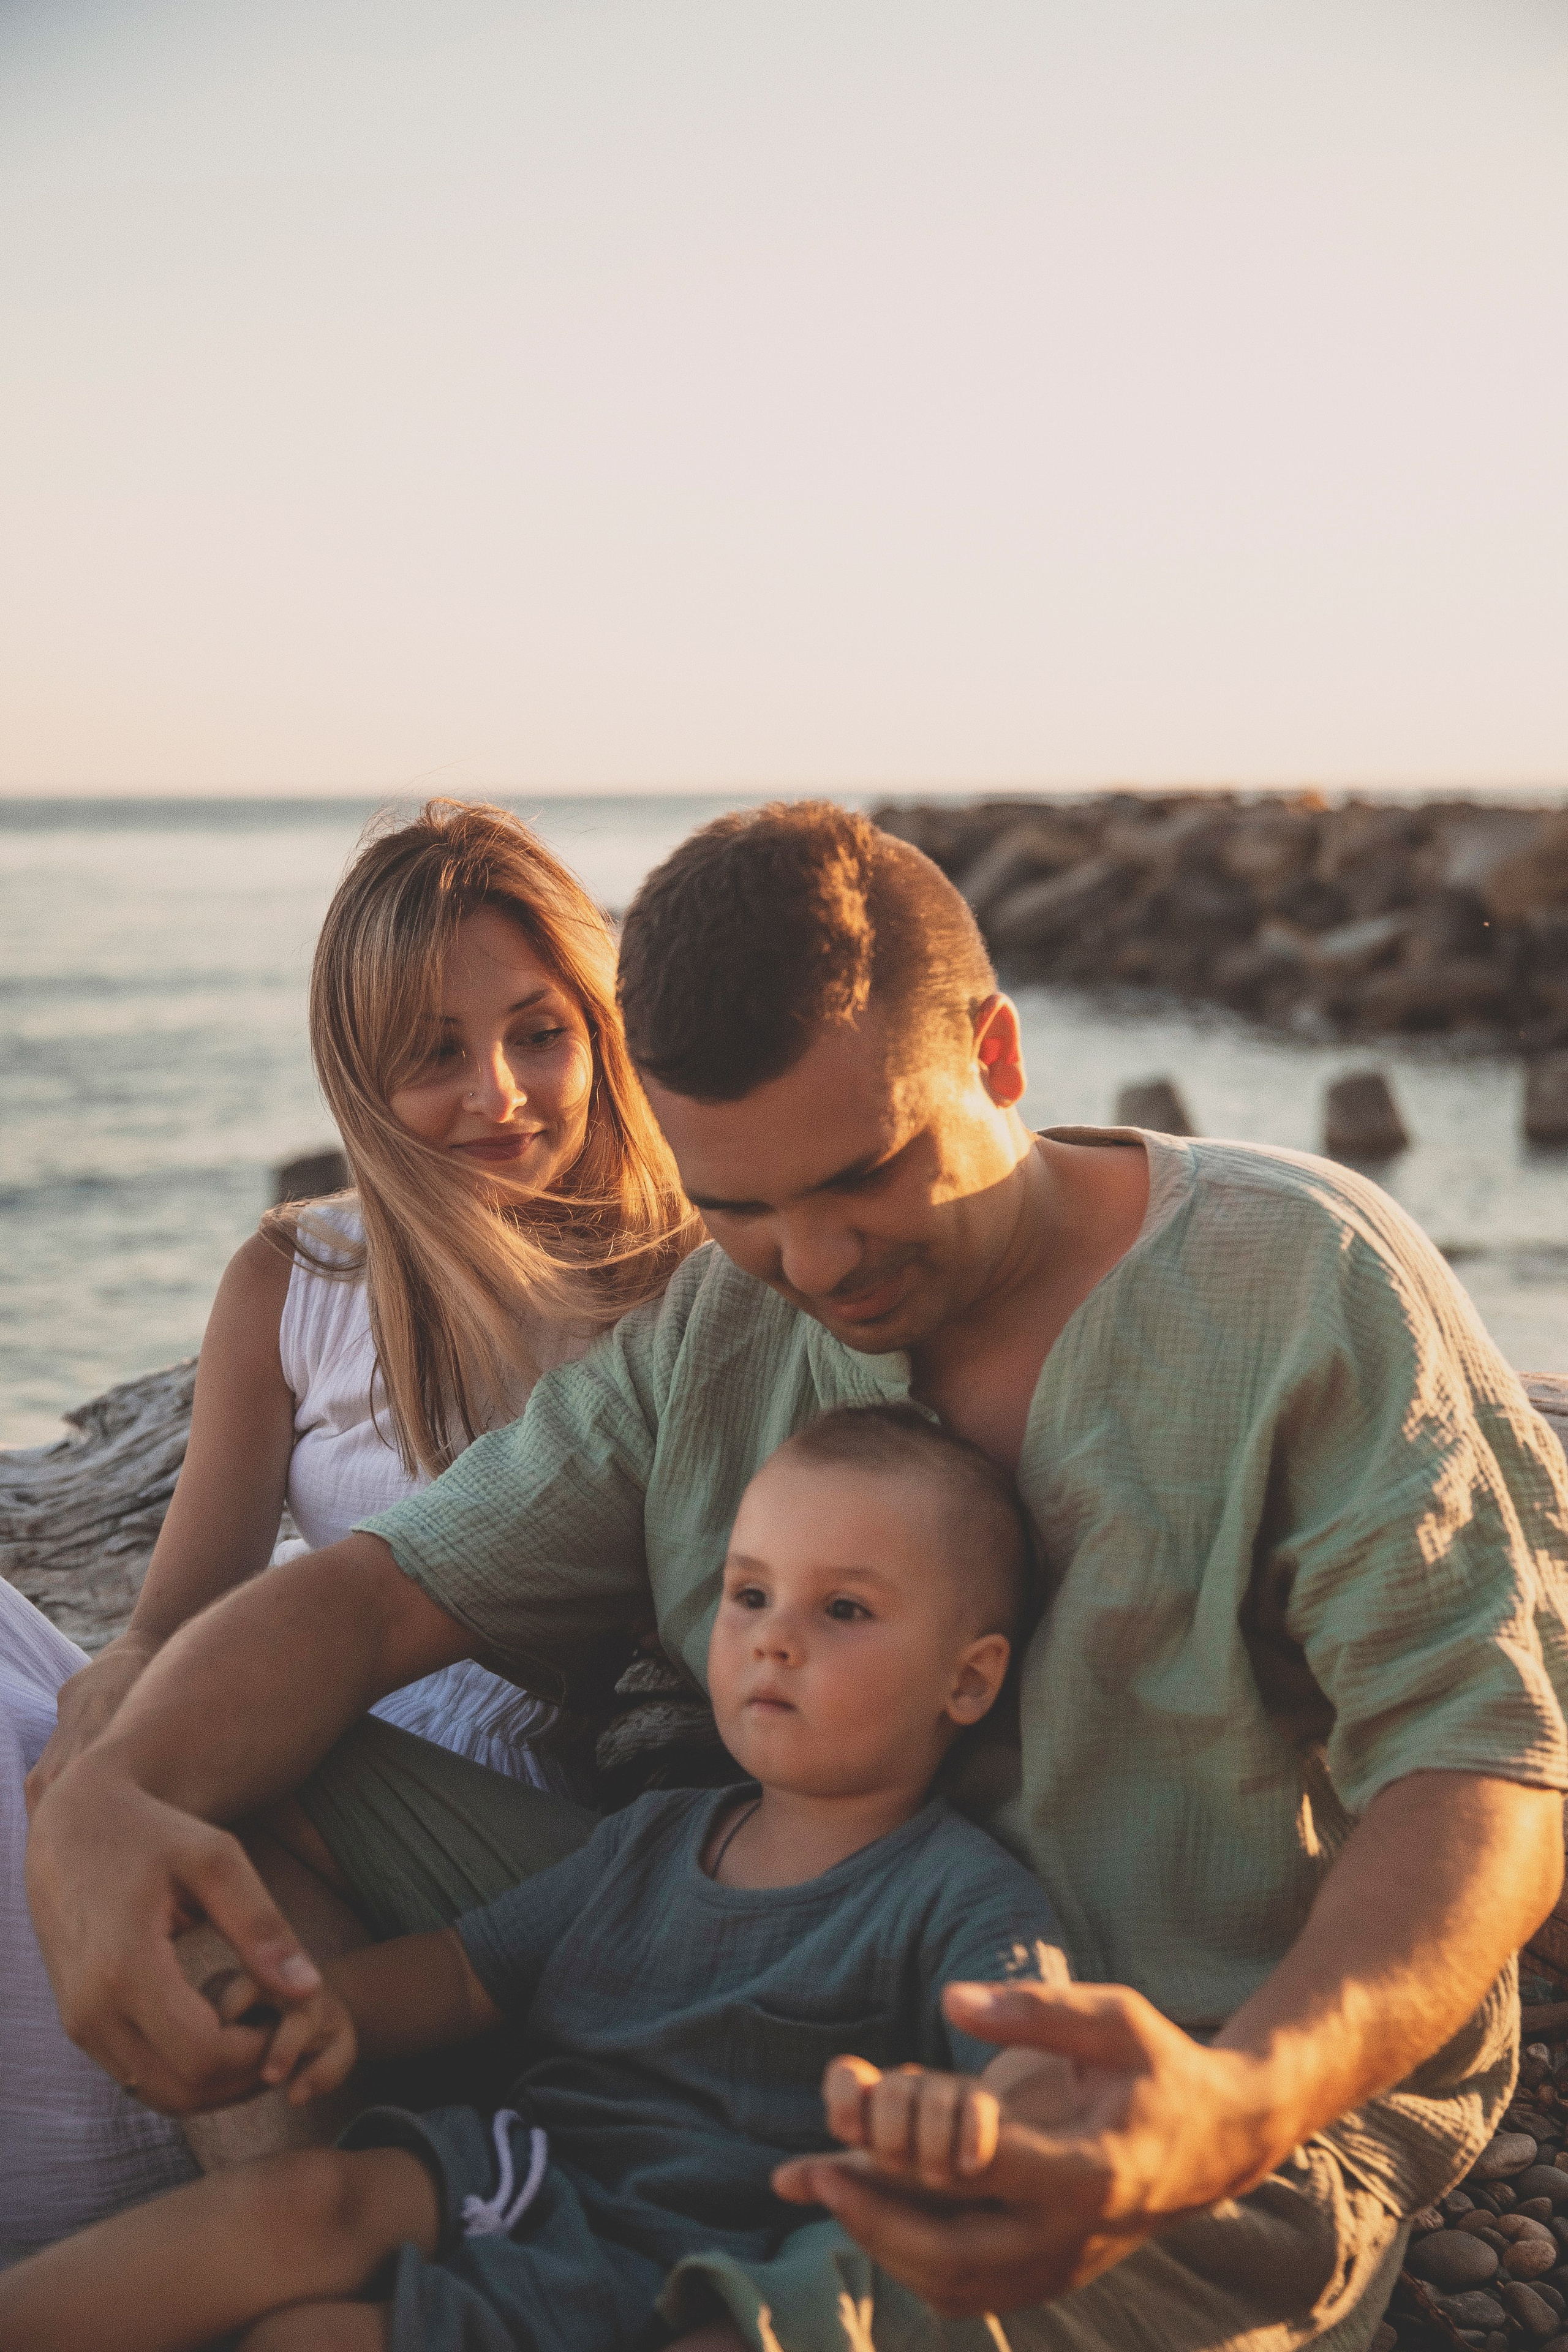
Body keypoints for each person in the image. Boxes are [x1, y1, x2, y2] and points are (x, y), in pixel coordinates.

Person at [26, 802, 1568, 2351]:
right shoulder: (721, 1322)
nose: (818, 1265)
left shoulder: (1300, 1280)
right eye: (739, 1205)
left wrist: (1241, 2104)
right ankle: (379, 2251)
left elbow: (1484, 1769)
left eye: (869, 1174)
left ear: (998, 1057)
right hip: (748, 1998)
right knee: (207, 1777)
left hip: (1144, 2099)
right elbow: (371, 1597)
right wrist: (112, 1796)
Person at [2, 798, 696, 2248]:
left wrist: (141, 1750)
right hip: (294, 1762)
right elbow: (174, 1612)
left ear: (599, 1026)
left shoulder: (680, 1284)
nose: (500, 1092)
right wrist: (119, 1697)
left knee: (193, 1782)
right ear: (362, 1079)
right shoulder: (296, 1275)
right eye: (436, 1053)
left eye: (539, 1031)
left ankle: (306, 2241)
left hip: (520, 1843)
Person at [1, 1406, 1062, 2352]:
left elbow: (1039, 2060)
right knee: (303, 2233)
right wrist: (327, 2009)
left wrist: (971, 2124)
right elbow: (468, 1971)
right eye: (750, 1594)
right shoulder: (657, 1839)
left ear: (967, 1680)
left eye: (844, 1611)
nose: (774, 1640)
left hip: (724, 2260)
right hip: (528, 2174)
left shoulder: (958, 1890)